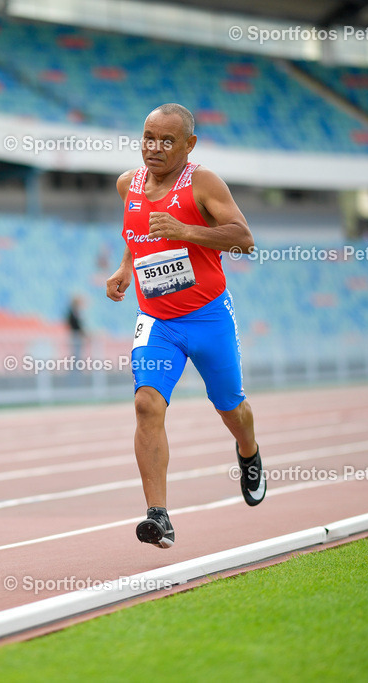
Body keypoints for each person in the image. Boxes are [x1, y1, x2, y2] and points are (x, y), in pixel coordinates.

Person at [106, 103, 265, 549]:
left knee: (231, 408)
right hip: (157, 320)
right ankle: (159, 515)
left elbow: (244, 238)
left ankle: (249, 452)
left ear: (189, 144)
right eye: (148, 137)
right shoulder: (127, 185)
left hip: (209, 316)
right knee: (146, 405)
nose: (154, 148)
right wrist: (124, 270)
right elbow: (136, 235)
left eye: (167, 140)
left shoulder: (202, 183)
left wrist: (186, 231)